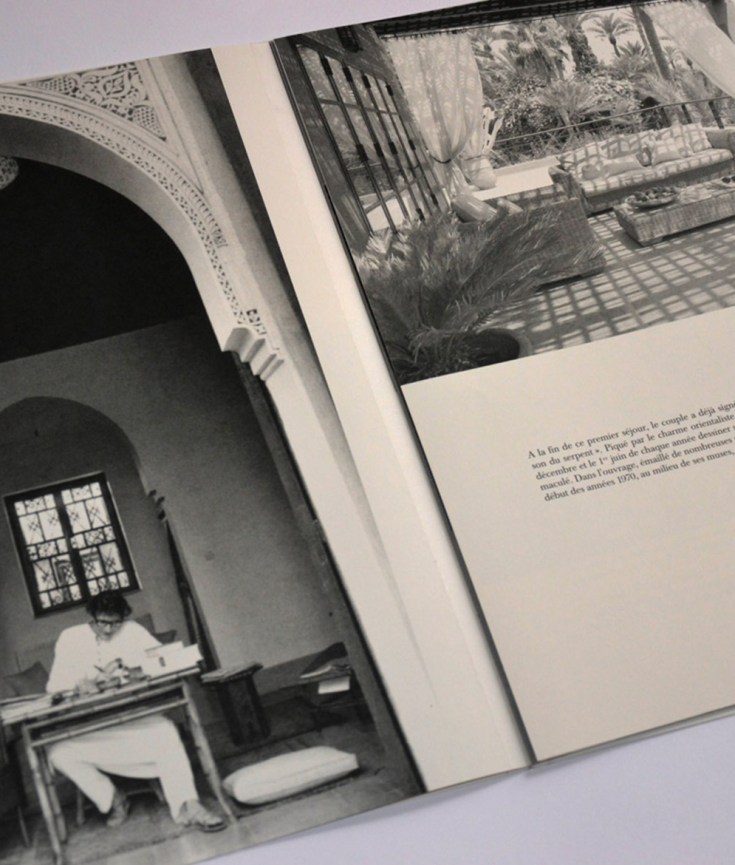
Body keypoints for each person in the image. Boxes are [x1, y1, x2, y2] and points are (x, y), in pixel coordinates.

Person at [46, 590, 226, 832]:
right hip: (91, 726)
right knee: (58, 753)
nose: (108, 629)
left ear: (123, 619)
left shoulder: (133, 631)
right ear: (92, 616)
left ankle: (189, 806)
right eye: (102, 622)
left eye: (115, 623)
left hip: (134, 719)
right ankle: (112, 798)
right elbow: (54, 687)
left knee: (165, 730)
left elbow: (164, 660)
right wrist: (79, 685)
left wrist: (136, 671)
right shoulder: (70, 637)